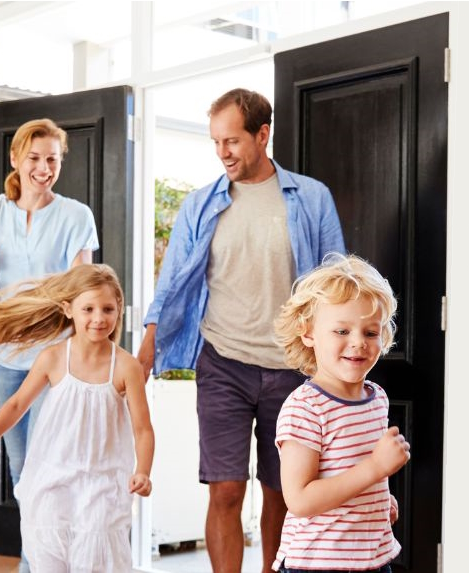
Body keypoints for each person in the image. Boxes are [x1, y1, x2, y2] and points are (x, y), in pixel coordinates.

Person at [137, 88, 345, 573]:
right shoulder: (200, 205)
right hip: (223, 363)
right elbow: (171, 284)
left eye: (232, 140)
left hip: (293, 370)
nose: (223, 152)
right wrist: (148, 343)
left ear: (262, 134)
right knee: (226, 489)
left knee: (283, 493)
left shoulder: (311, 198)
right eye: (215, 142)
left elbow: (337, 281)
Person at [0, 118, 98, 570]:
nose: (43, 168)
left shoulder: (76, 216)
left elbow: (85, 285)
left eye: (52, 160)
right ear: (16, 159)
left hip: (54, 358)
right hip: (4, 356)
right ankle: (38, 558)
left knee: (48, 467)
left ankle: (38, 564)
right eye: (34, 159)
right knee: (22, 473)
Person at [0, 263, 154, 572]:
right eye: (88, 309)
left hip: (102, 483)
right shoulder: (53, 358)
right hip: (52, 478)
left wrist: (143, 471)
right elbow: (16, 405)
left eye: (108, 309)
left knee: (96, 559)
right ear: (68, 309)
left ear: (119, 309)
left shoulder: (125, 367)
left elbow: (143, 429)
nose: (98, 318)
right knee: (49, 559)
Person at [271, 253, 410, 572]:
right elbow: (301, 500)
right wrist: (376, 468)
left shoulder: (377, 398)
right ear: (308, 333)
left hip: (372, 557)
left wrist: (376, 500)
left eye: (371, 333)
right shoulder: (305, 408)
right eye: (342, 331)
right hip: (317, 563)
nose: (358, 343)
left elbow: (352, 474)